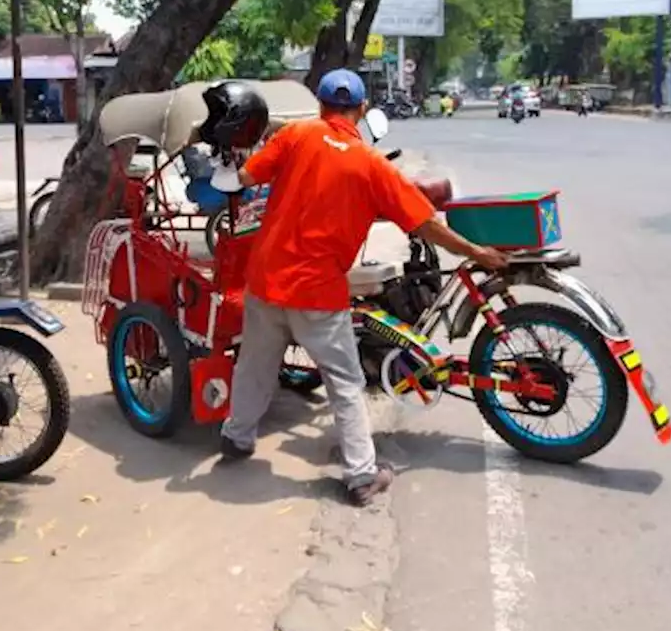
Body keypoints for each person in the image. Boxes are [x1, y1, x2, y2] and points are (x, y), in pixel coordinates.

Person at [217, 69, 510, 506]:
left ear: (320, 106)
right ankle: (359, 476)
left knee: (255, 366)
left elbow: (243, 179)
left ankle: (236, 438)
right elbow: (426, 222)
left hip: (265, 279)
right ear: (361, 111)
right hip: (317, 292)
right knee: (345, 382)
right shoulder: (371, 164)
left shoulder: (295, 135)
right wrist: (475, 252)